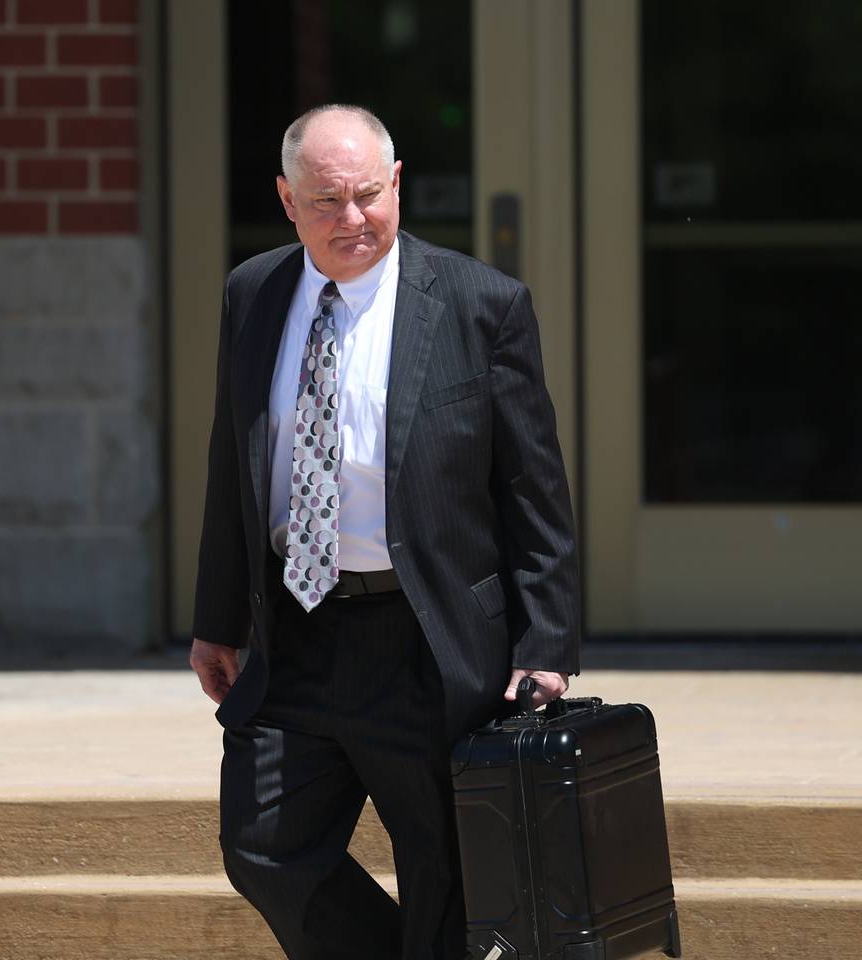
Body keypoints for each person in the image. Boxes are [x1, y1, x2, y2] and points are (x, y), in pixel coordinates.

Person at [189, 103, 581, 960]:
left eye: (369, 194)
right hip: (297, 629)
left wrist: (545, 636)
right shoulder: (253, 292)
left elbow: (532, 486)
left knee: (443, 872)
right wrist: (219, 615)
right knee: (263, 848)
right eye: (326, 202)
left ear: (396, 183)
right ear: (287, 200)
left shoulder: (482, 305)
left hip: (427, 638)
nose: (353, 219)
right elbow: (236, 461)